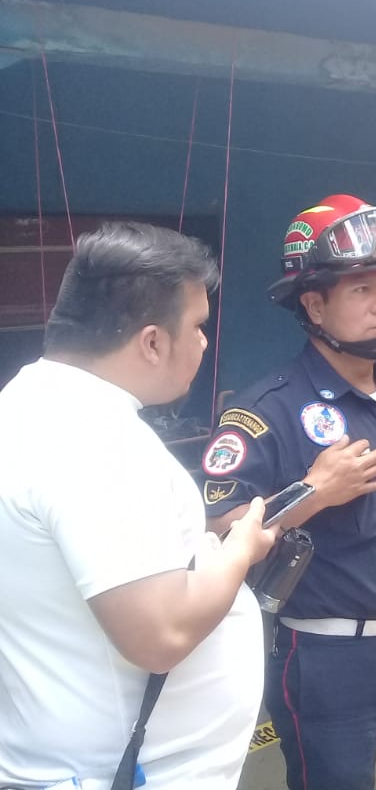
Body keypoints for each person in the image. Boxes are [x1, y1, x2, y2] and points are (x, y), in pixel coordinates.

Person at [198, 194, 376, 790]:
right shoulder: (265, 411)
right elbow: (218, 532)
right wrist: (313, 491)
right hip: (328, 665)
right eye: (363, 290)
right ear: (314, 303)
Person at [0, 223, 276, 789]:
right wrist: (240, 550)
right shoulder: (90, 437)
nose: (204, 342)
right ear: (152, 341)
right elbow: (160, 635)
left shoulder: (28, 401)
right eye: (198, 326)